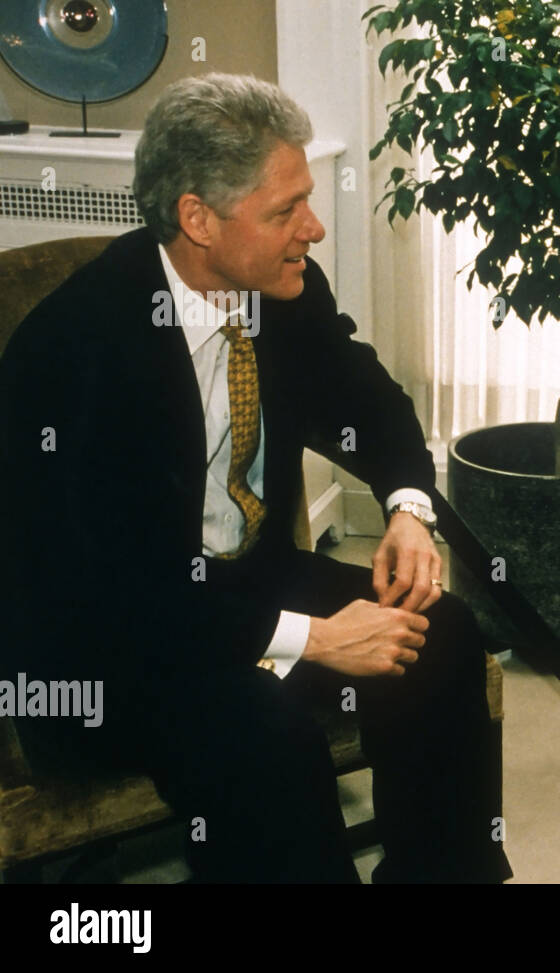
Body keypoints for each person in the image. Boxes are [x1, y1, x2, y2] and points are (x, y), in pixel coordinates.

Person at [0, 73, 510, 883]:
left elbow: (369, 402)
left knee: (440, 634)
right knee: (266, 735)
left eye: (306, 199)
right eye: (285, 211)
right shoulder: (75, 353)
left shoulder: (280, 289)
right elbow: (117, 598)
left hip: (243, 581)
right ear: (196, 217)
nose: (312, 228)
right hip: (108, 653)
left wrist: (409, 509)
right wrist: (318, 636)